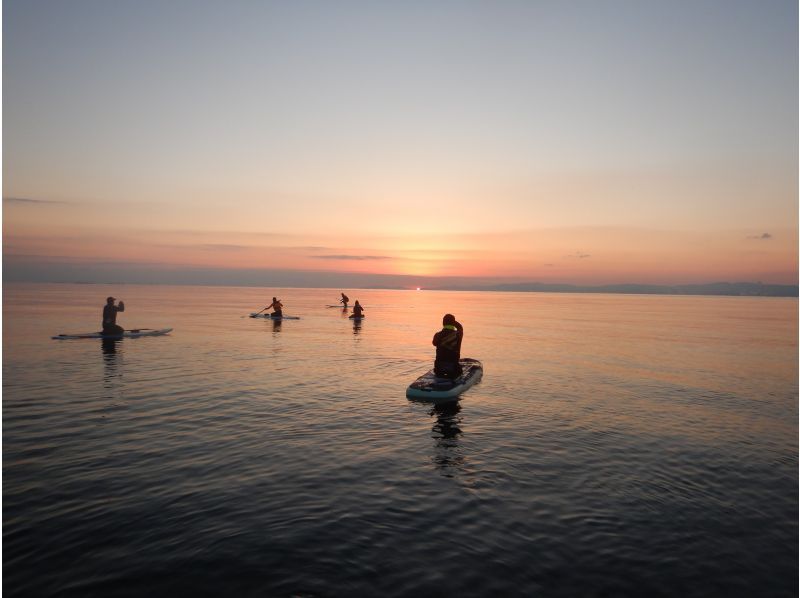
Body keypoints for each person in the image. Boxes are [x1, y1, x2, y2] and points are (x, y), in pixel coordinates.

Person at [432, 314, 463, 379]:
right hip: (453, 369)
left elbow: (434, 343)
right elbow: (460, 327)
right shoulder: (458, 335)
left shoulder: (437, 335)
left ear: (443, 323)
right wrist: (453, 322)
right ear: (453, 323)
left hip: (439, 369)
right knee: (458, 371)